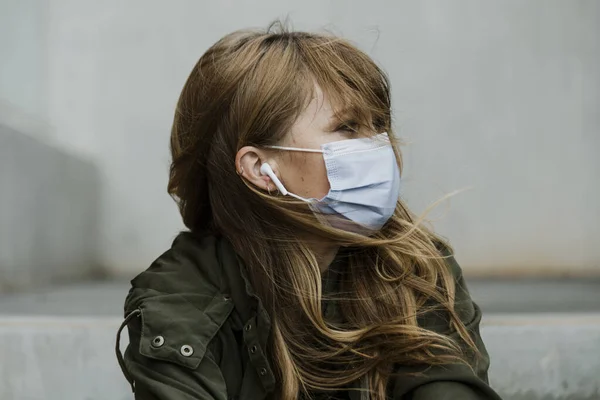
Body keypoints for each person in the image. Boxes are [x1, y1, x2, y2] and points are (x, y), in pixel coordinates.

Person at [115, 22, 502, 400]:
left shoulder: (413, 267)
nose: (379, 146)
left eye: (378, 124)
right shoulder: (180, 299)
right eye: (347, 127)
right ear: (259, 168)